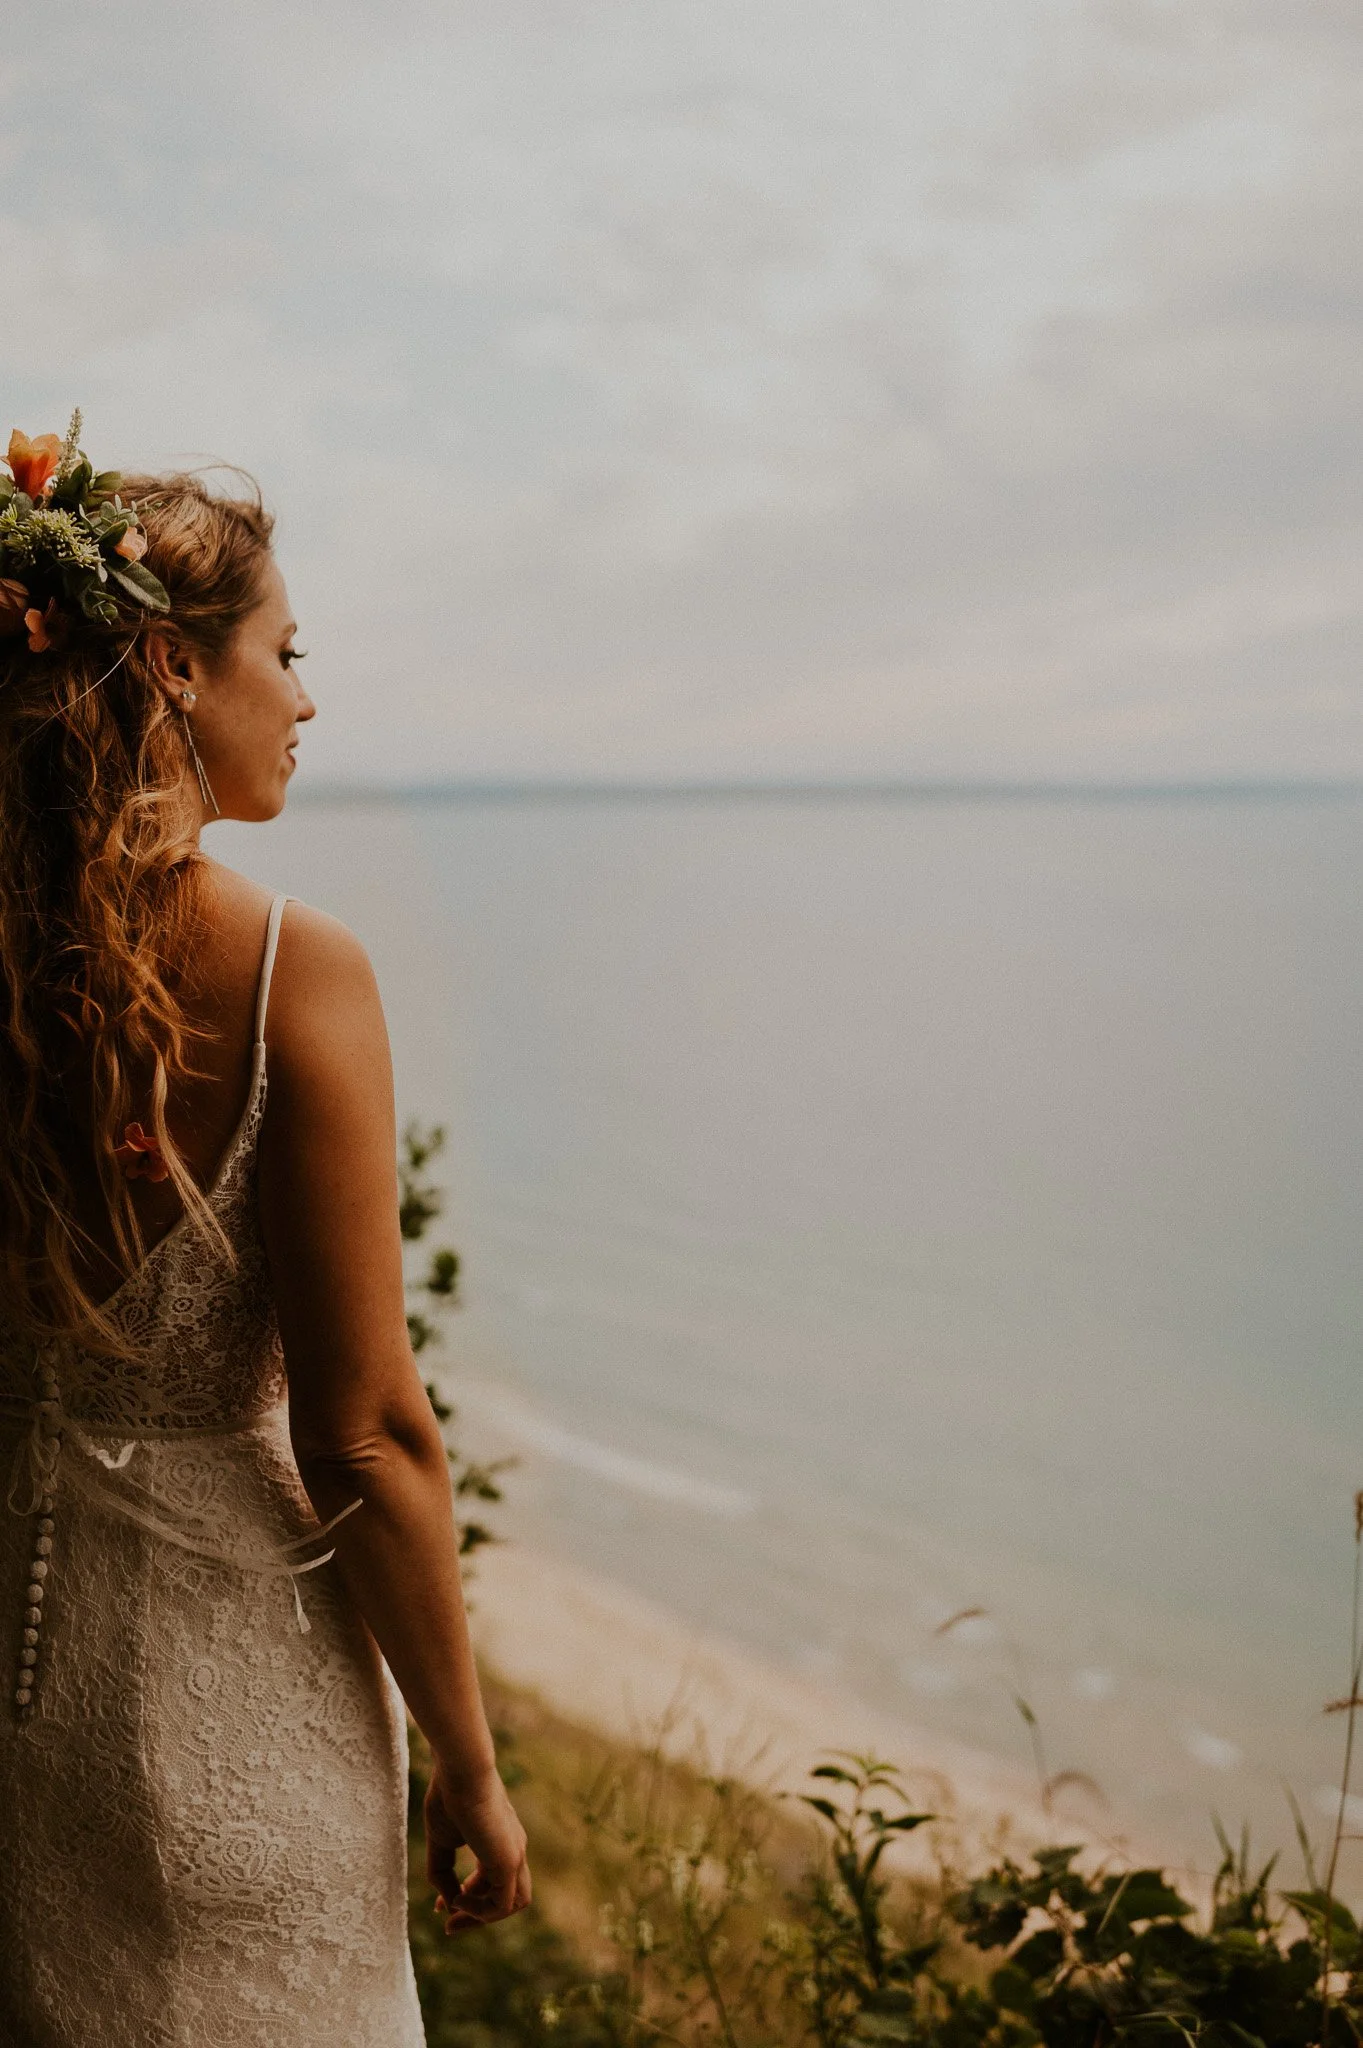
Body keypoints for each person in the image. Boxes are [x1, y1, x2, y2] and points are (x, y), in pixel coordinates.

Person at [0, 417, 529, 2047]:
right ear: (169, 667)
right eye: (283, 655)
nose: (305, 699)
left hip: (30, 1709)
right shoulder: (301, 966)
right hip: (248, 1701)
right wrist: (473, 1764)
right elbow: (364, 1430)